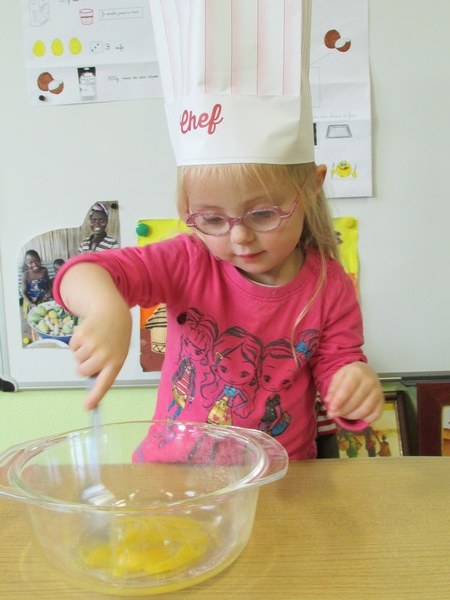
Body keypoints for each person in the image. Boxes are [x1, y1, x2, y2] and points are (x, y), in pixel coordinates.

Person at [53, 0, 384, 460]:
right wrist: (106, 307)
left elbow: (338, 368)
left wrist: (353, 385)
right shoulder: (188, 260)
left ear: (310, 190)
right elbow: (81, 272)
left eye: (264, 214)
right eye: (211, 220)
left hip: (279, 482)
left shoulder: (329, 287)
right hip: (173, 478)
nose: (240, 238)